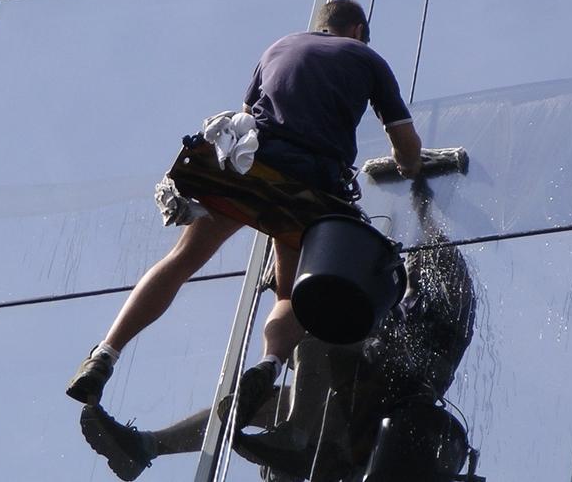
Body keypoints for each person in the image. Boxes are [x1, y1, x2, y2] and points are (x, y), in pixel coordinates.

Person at [66, 0, 423, 421]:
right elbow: (405, 142)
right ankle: (268, 365)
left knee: (181, 260)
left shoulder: (278, 47)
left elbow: (247, 116)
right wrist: (409, 168)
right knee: (290, 292)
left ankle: (105, 354)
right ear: (358, 30)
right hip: (309, 187)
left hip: (252, 169)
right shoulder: (367, 58)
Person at [78, 194, 476, 482]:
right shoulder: (395, 298)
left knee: (317, 330)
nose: (405, 263)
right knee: (268, 399)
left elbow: (435, 291)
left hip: (392, 394)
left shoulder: (440, 300)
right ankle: (146, 447)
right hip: (364, 395)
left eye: (411, 260)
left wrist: (425, 207)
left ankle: (297, 437)